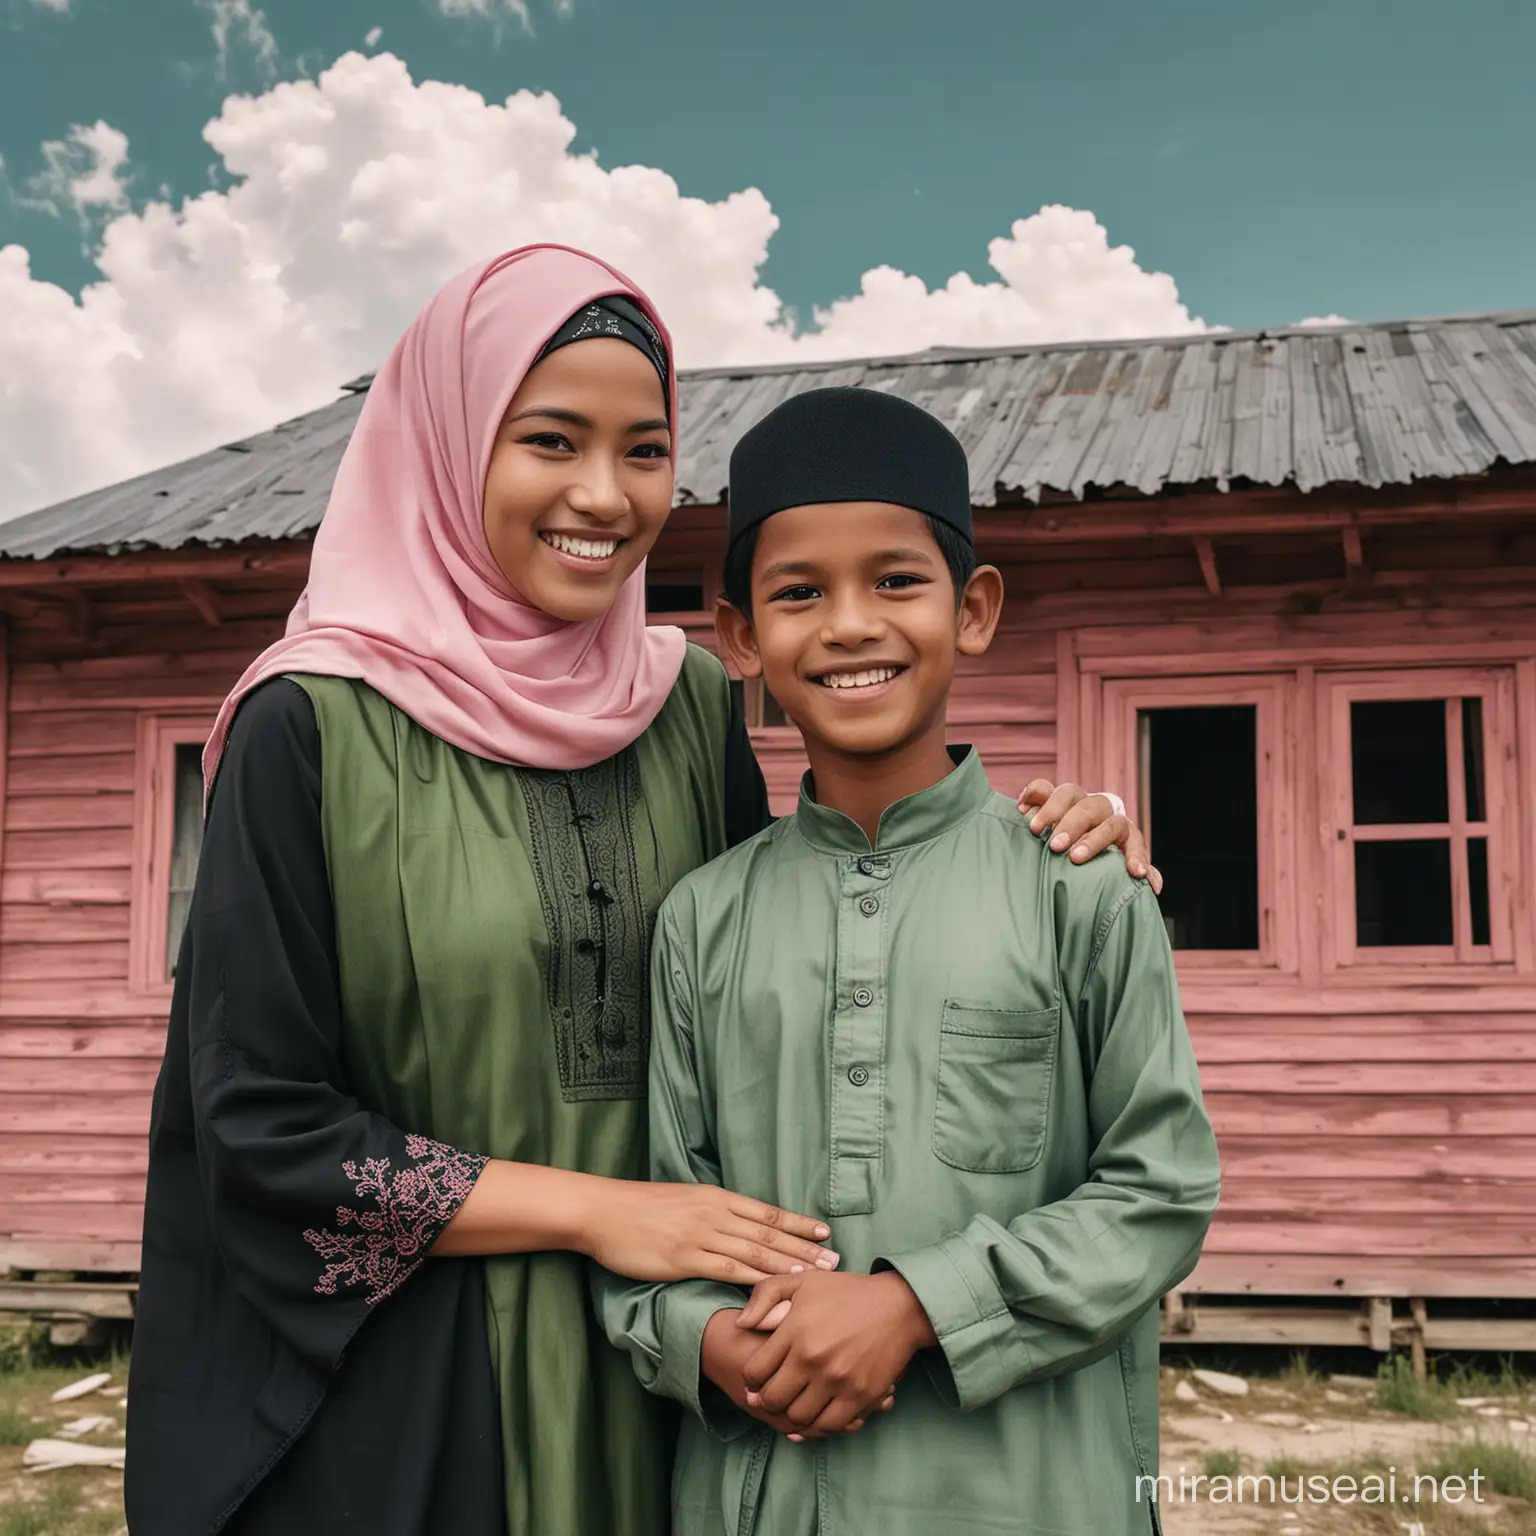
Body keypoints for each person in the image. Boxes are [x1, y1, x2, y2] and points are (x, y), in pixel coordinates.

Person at [124, 246, 1157, 1536]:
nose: (604, 497)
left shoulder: (684, 709)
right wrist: (606, 1214)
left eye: (646, 450)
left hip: (688, 1381)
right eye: (550, 441)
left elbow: (810, 924)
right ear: (448, 446)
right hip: (418, 1387)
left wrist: (1059, 827)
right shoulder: (310, 725)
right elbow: (254, 1121)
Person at [596, 387, 1222, 1536]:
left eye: (895, 580)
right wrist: (707, 1338)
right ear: (739, 639)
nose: (848, 626)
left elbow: (1160, 1192)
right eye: (798, 593)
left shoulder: (1078, 884)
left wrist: (914, 1307)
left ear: (972, 608)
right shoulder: (702, 920)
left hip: (1031, 1493)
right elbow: (660, 1221)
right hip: (765, 1493)